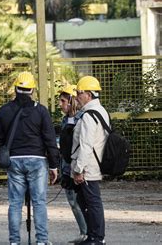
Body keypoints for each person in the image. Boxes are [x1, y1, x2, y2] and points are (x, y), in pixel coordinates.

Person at [0, 71, 59, 245]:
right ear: (32, 90)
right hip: (37, 160)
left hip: (14, 160)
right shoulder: (41, 111)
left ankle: (14, 241)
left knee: (15, 203)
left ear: (15, 88)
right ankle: (42, 241)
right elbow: (50, 140)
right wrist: (54, 165)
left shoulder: (4, 110)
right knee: (39, 202)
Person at [71, 76, 109, 245]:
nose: (77, 97)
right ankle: (93, 236)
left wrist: (78, 169)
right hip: (95, 162)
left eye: (79, 93)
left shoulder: (88, 115)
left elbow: (85, 145)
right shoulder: (101, 111)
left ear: (87, 94)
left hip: (88, 167)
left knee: (92, 202)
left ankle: (97, 238)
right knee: (85, 200)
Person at [57, 84, 87, 244]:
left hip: (78, 166)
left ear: (71, 100)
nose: (60, 104)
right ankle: (84, 233)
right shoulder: (64, 120)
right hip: (66, 165)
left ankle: (88, 233)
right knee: (73, 201)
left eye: (63, 101)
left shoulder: (82, 118)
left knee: (81, 200)